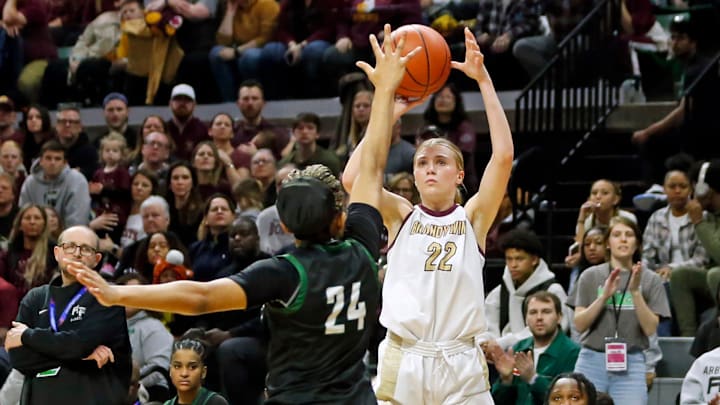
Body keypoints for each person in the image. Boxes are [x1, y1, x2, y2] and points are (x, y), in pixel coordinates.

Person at [68, 22, 411, 403]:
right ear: (340, 216)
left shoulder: (285, 272)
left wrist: (118, 294)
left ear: (282, 224)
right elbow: (373, 168)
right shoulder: (361, 246)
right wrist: (385, 96)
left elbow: (199, 298)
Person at [343, 27, 514, 403]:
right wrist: (391, 108)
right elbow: (353, 178)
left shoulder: (473, 220)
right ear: (415, 174)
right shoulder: (400, 215)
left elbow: (502, 158)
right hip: (405, 356)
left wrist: (483, 79)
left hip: (461, 359)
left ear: (460, 174)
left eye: (441, 162)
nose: (430, 168)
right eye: (422, 162)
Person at [4, 225, 132, 405]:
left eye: (86, 249)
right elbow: (19, 358)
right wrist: (80, 355)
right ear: (57, 253)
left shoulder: (107, 296)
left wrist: (27, 336)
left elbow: (81, 343)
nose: (77, 253)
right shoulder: (35, 298)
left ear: (96, 259)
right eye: (70, 246)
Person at [568, 216, 671, 404]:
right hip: (592, 359)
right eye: (617, 235)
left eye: (629, 235)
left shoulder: (650, 280)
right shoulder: (590, 276)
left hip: (631, 361)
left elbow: (650, 329)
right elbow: (579, 324)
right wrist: (603, 297)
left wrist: (635, 292)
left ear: (637, 243)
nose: (623, 239)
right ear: (608, 243)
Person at [485, 229, 572, 350]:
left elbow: (557, 329)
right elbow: (488, 327)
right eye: (509, 259)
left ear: (534, 260)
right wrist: (488, 343)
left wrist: (505, 342)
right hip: (502, 358)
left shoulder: (553, 290)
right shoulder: (499, 292)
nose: (513, 265)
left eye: (519, 259)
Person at [491, 291, 581, 405]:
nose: (539, 317)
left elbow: (567, 400)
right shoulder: (518, 349)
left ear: (559, 317)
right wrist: (506, 380)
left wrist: (533, 379)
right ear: (526, 319)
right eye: (533, 312)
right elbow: (498, 402)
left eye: (546, 312)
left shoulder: (573, 352)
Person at [19, 140, 91, 227]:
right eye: (48, 158)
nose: (52, 163)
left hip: (69, 236)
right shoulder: (30, 183)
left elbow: (78, 221)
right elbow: (23, 214)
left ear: (64, 163)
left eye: (57, 159)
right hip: (35, 235)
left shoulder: (77, 181)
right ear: (41, 161)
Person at [687, 160, 720, 306]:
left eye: (694, 186)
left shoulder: (701, 219)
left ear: (703, 188)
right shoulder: (711, 215)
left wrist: (699, 223)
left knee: (715, 275)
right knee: (680, 275)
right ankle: (687, 330)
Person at [165, 332, 228, 405]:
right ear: (170, 371)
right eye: (177, 366)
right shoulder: (168, 403)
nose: (184, 373)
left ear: (203, 372)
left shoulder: (215, 402)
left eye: (192, 367)